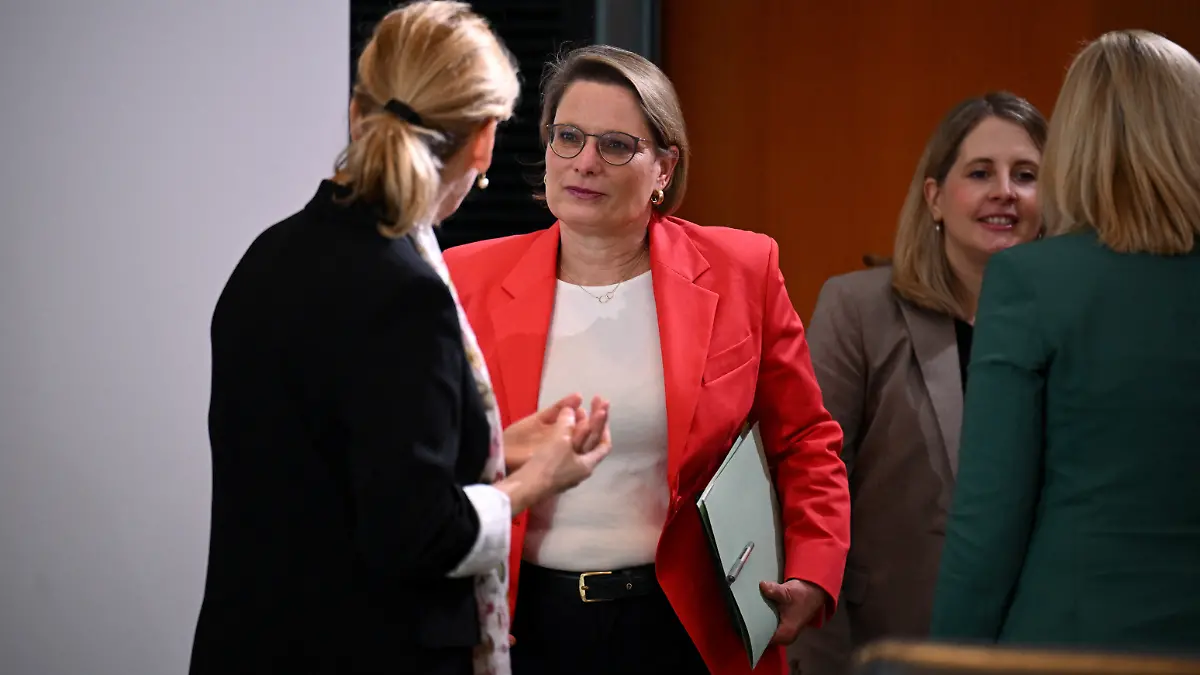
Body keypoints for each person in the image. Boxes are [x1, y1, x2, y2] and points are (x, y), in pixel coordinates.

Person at [188, 4, 612, 675]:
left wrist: (500, 442)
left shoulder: (267, 257)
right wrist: (537, 480)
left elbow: (330, 462)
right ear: (484, 143)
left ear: (357, 110)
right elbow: (417, 536)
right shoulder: (406, 295)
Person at [442, 45, 850, 675]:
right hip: (528, 621)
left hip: (688, 621)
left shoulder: (743, 269)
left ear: (664, 166)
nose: (584, 162)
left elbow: (805, 440)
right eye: (568, 137)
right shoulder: (465, 278)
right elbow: (437, 457)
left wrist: (814, 571)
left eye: (615, 145)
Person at [931, 30, 1200, 651]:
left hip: (1074, 643)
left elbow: (989, 519)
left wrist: (942, 660)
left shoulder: (1032, 282)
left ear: (1076, 146)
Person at [792, 92, 1046, 675]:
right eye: (980, 172)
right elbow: (807, 485)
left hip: (1039, 644)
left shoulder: (1073, 322)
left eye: (1026, 175)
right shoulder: (857, 308)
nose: (1005, 191)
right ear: (935, 197)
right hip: (887, 646)